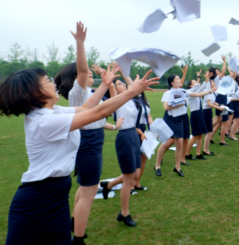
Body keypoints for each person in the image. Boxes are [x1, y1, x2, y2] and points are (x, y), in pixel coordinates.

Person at [1, 58, 158, 245]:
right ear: (36, 92)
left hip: (55, 196)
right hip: (38, 201)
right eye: (48, 81)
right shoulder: (44, 122)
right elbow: (98, 113)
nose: (54, 83)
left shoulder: (53, 112)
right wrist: (133, 91)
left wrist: (105, 85)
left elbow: (86, 107)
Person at [54, 22, 125, 242]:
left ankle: (75, 223)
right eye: (82, 75)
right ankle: (78, 238)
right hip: (88, 141)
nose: (87, 76)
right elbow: (83, 70)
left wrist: (107, 83)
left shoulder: (86, 94)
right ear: (76, 78)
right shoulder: (79, 90)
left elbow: (106, 106)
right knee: (89, 191)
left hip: (92, 140)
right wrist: (80, 43)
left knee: (86, 187)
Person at [100, 78, 149, 227]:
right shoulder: (116, 101)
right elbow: (115, 91)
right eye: (117, 84)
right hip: (124, 137)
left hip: (133, 135)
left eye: (121, 83)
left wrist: (139, 133)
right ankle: (124, 213)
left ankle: (108, 185)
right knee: (129, 179)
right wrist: (114, 81)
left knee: (134, 175)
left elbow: (133, 120)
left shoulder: (134, 101)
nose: (119, 85)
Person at [155, 73, 215, 177]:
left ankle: (177, 167)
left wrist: (210, 91)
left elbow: (198, 94)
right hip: (171, 119)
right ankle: (157, 165)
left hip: (181, 119)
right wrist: (179, 104)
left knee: (179, 144)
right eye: (177, 78)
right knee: (166, 142)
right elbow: (166, 107)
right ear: (172, 82)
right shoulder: (168, 93)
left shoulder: (182, 91)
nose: (180, 80)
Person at [185, 70, 209, 160]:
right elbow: (198, 87)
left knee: (200, 135)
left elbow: (201, 88)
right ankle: (187, 153)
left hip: (200, 113)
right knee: (195, 136)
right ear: (191, 85)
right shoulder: (189, 93)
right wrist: (201, 78)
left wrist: (206, 78)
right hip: (195, 115)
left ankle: (198, 154)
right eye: (194, 82)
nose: (196, 82)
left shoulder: (196, 92)